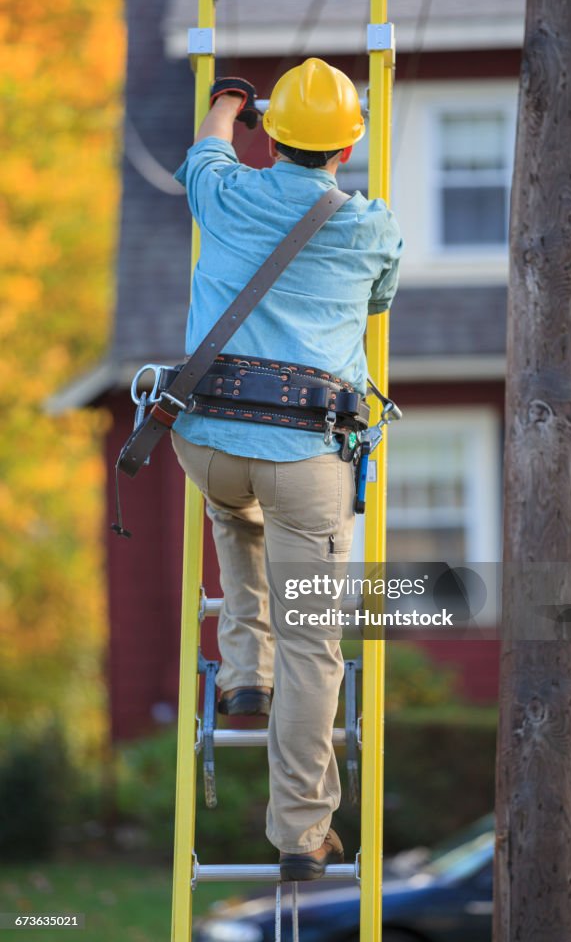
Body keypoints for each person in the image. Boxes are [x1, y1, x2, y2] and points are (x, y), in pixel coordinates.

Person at [171, 58, 403, 880]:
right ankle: (302, 836)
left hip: (208, 441)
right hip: (307, 459)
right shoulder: (370, 225)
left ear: (268, 135)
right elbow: (377, 303)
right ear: (349, 145)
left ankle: (242, 674)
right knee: (316, 645)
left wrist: (227, 100)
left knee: (233, 511)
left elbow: (204, 152)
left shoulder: (227, 191)